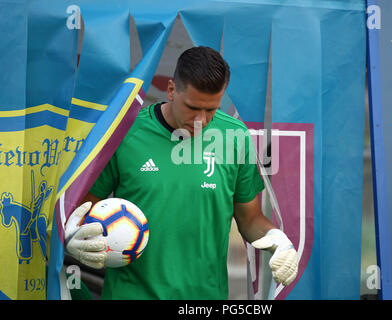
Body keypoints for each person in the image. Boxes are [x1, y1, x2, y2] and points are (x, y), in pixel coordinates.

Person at [64, 46, 299, 299]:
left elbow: (250, 219)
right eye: (193, 107)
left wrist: (277, 240)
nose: (202, 120)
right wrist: (75, 234)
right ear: (171, 90)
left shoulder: (235, 137)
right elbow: (85, 204)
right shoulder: (125, 132)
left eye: (211, 110)